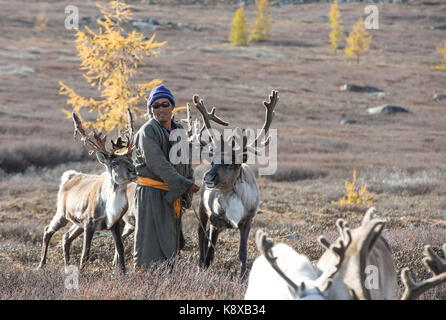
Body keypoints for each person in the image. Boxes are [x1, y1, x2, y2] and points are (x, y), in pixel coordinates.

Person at [133, 84, 200, 271]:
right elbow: (158, 164)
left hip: (172, 195)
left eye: (164, 104)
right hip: (151, 195)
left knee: (171, 239)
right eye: (155, 106)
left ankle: (168, 278)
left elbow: (185, 163)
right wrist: (185, 185)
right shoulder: (147, 131)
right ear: (151, 110)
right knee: (150, 242)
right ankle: (144, 280)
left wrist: (188, 185)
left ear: (172, 106)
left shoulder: (178, 130)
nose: (160, 109)